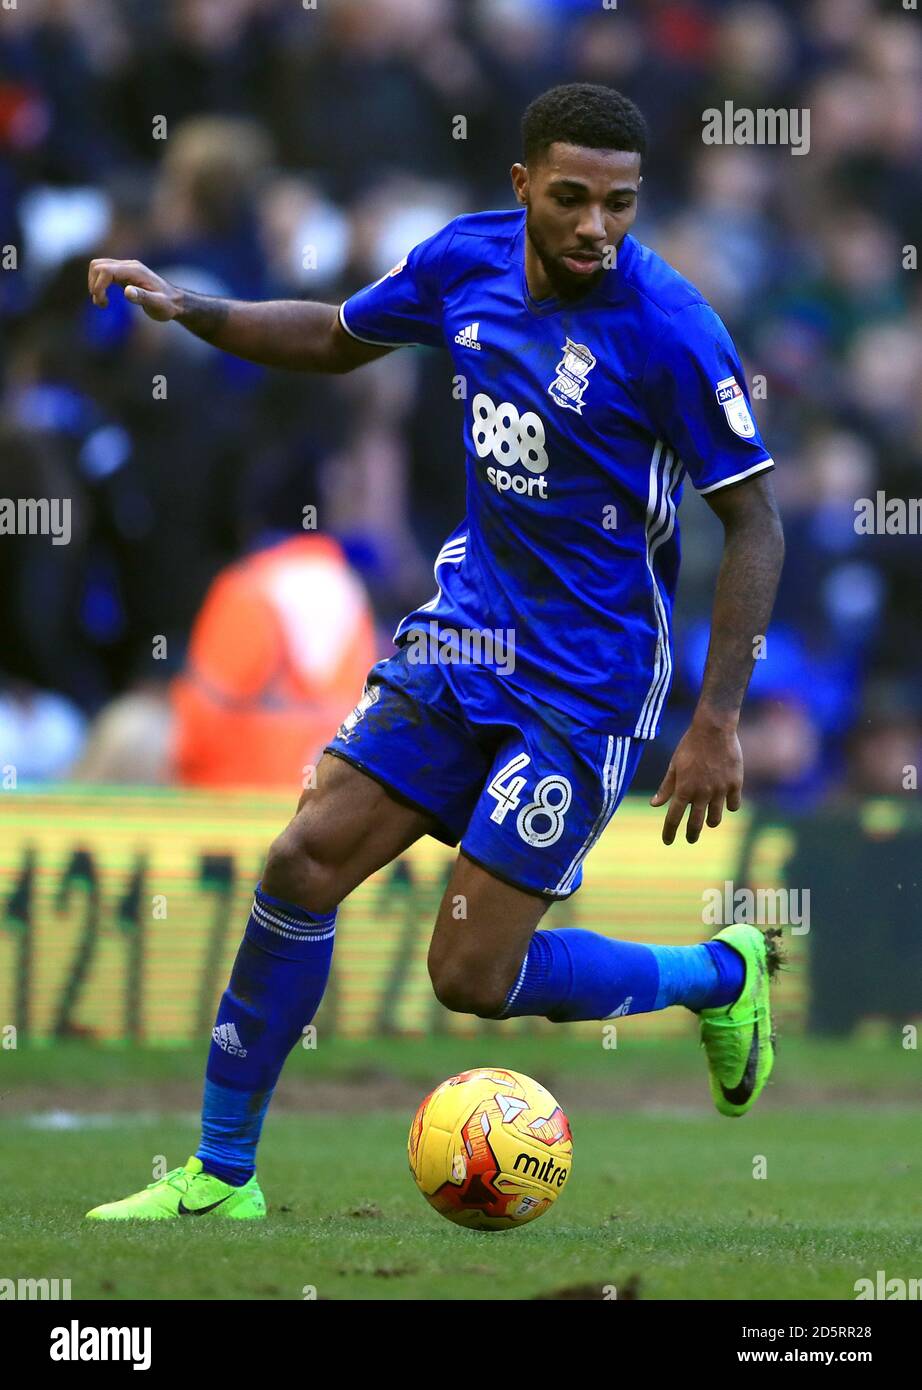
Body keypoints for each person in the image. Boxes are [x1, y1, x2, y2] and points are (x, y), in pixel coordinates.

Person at [84, 84, 784, 1221]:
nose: (596, 227)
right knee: (301, 863)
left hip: (588, 679)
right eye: (570, 199)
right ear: (520, 188)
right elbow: (330, 336)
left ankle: (719, 974)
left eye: (619, 205)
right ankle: (220, 1177)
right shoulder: (463, 263)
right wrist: (190, 308)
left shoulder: (671, 329)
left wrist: (716, 721)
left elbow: (754, 520)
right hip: (464, 637)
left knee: (467, 976)